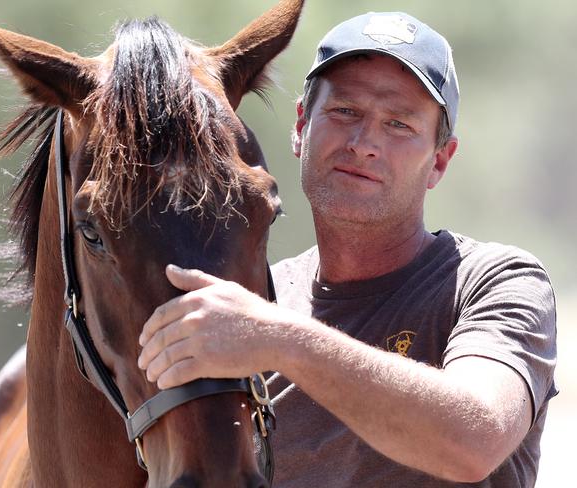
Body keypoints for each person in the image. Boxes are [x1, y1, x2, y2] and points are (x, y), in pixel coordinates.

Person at [137, 11, 557, 487]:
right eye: (345, 112)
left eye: (398, 124)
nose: (363, 143)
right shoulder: (255, 299)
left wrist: (278, 339)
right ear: (301, 127)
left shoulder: (496, 281)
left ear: (439, 161)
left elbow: (475, 440)